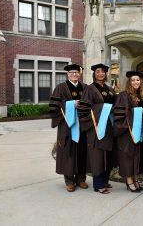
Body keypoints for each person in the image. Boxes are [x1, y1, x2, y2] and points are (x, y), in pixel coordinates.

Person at [78, 63, 116, 194]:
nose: (100, 73)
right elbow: (84, 108)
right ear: (94, 74)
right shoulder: (90, 88)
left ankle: (105, 180)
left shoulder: (109, 89)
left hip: (109, 125)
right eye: (98, 71)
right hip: (96, 125)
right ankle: (98, 184)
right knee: (97, 154)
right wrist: (104, 108)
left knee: (107, 153)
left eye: (103, 71)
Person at [49, 64, 88, 192]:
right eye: (72, 72)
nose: (74, 74)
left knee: (82, 150)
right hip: (67, 125)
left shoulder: (85, 87)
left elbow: (90, 104)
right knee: (68, 150)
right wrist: (71, 104)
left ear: (80, 74)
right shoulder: (60, 88)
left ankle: (81, 179)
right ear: (67, 74)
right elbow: (54, 105)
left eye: (77, 72)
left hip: (82, 124)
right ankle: (69, 181)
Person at [113, 71, 143, 192]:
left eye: (138, 80)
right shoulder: (123, 95)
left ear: (141, 82)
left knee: (137, 156)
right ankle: (129, 181)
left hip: (139, 132)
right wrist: (135, 115)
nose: (136, 82)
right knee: (128, 155)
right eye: (133, 80)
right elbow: (120, 113)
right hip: (127, 131)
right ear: (129, 82)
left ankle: (135, 179)